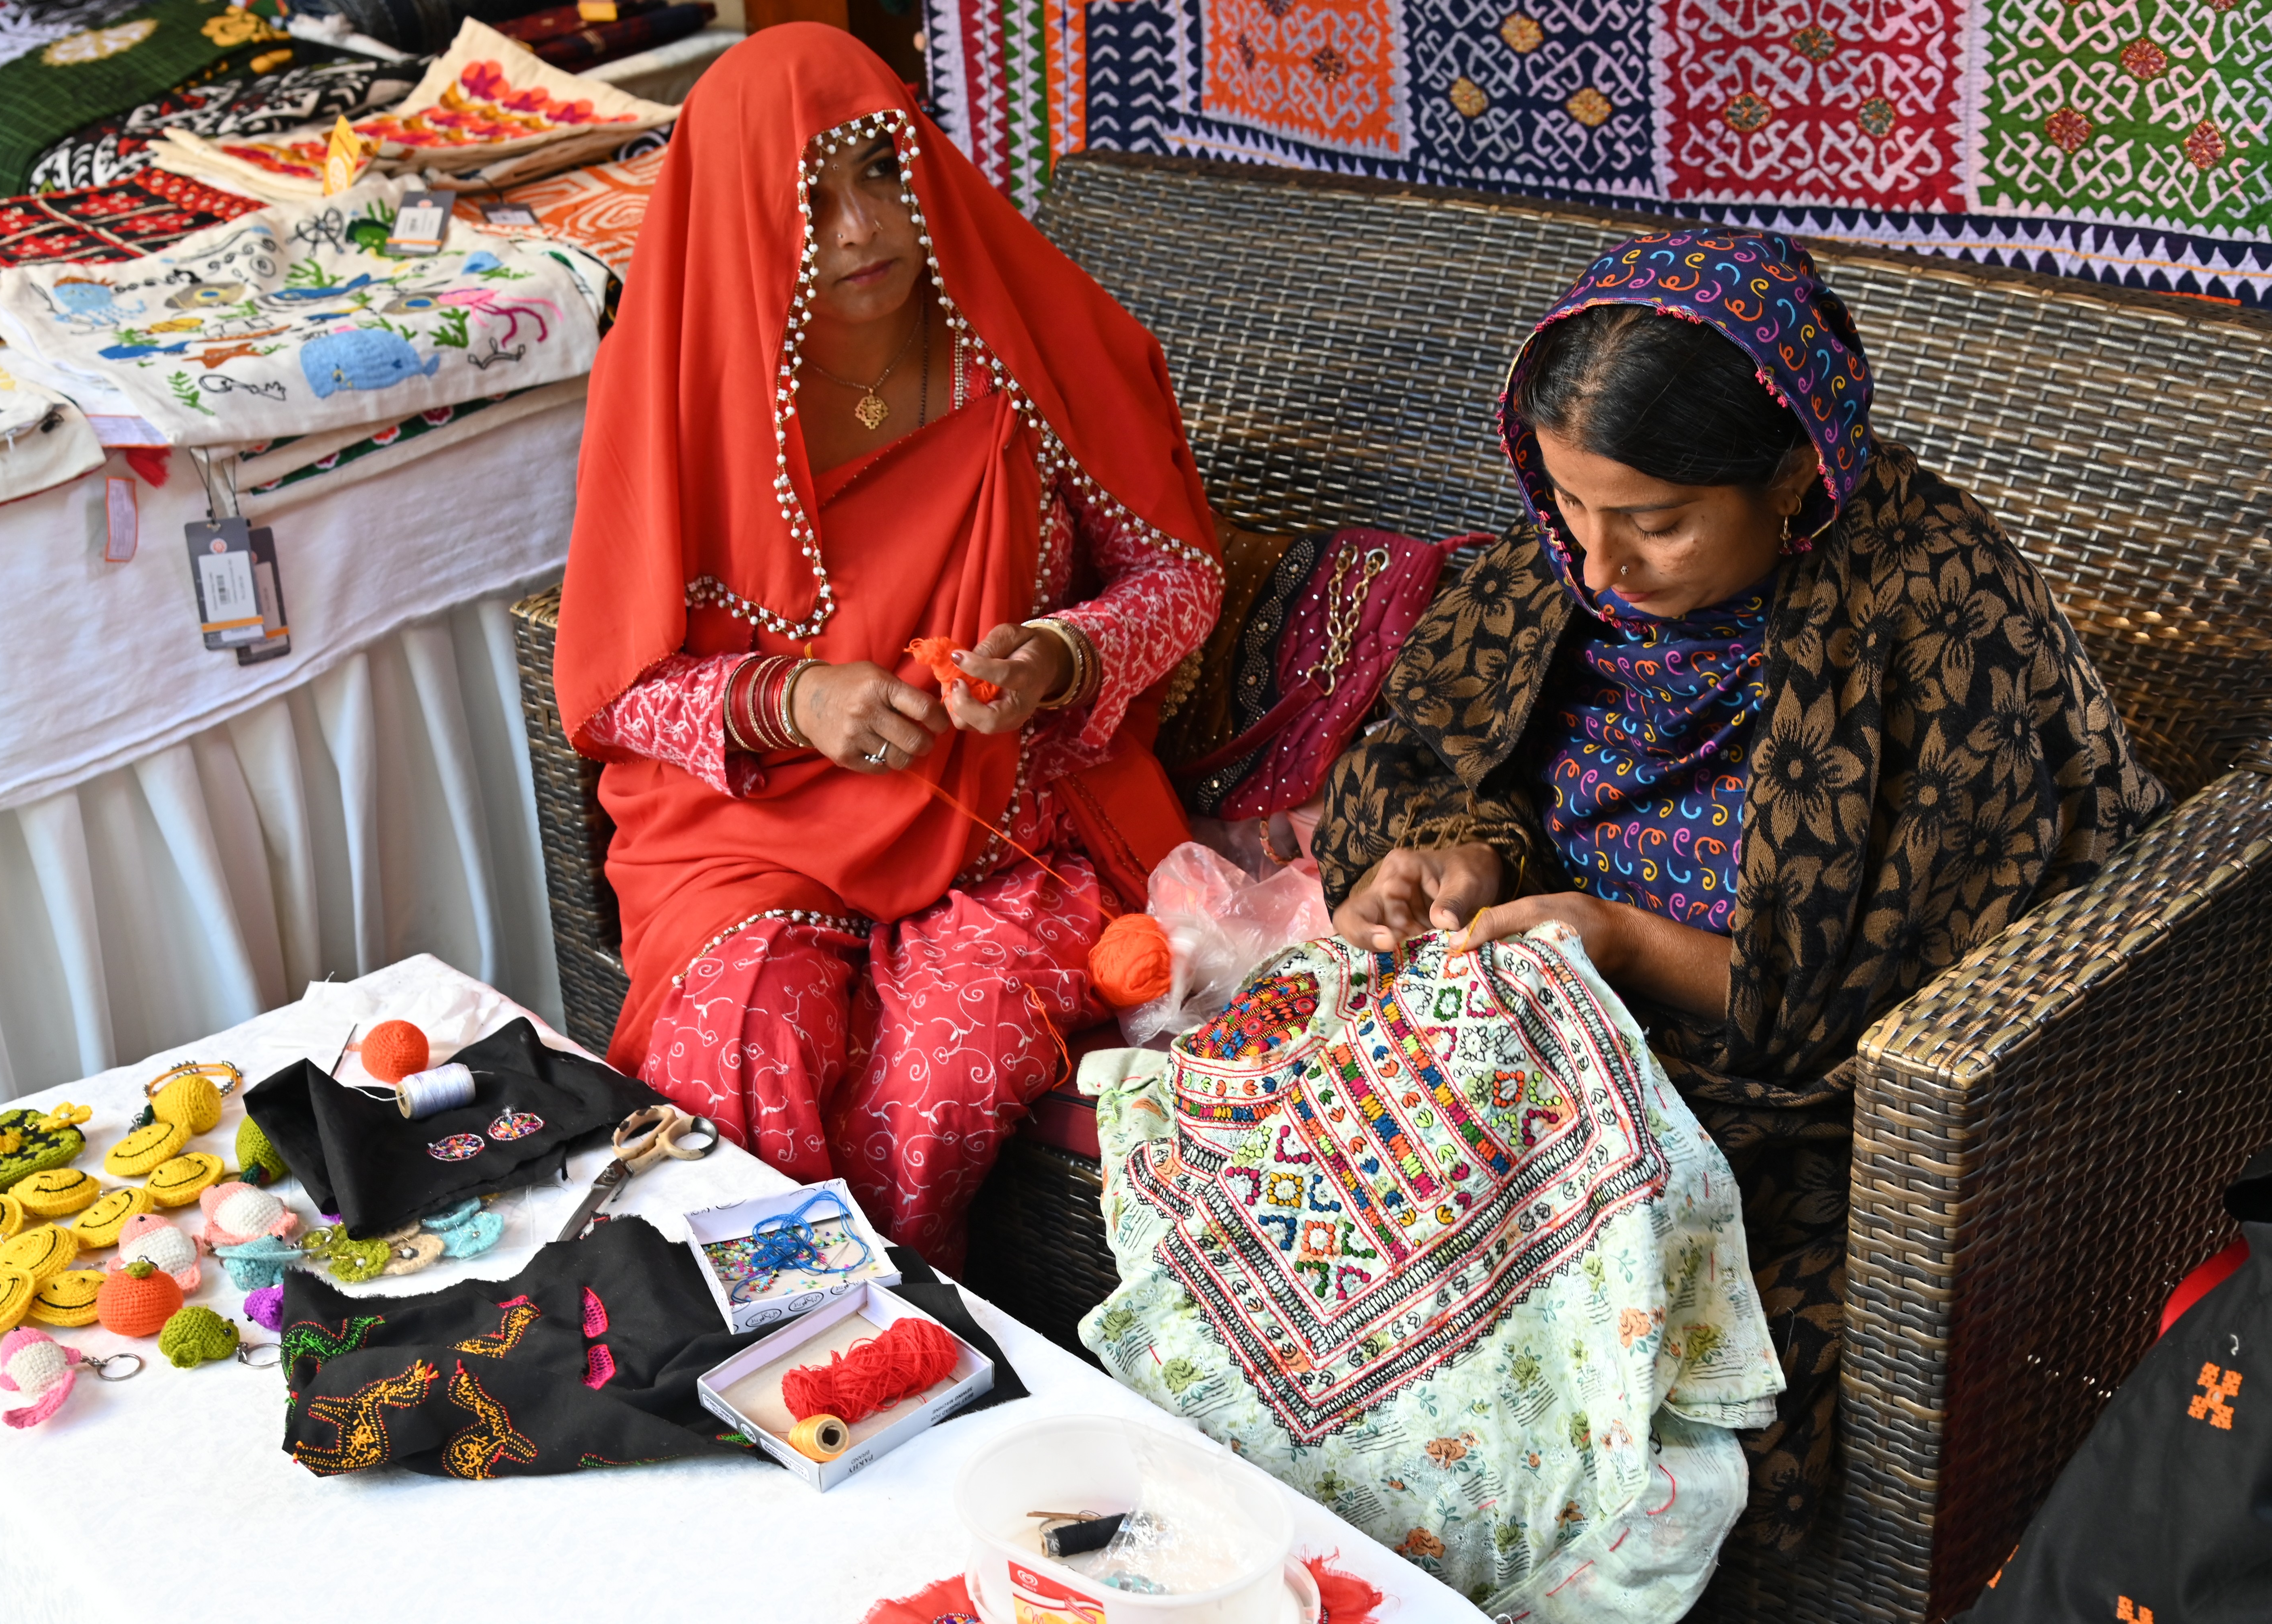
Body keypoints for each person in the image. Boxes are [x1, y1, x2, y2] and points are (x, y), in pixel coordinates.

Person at [1316, 228, 2168, 1547]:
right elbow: (1430, 752)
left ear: (1791, 478)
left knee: (1614, 1394)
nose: (1598, 567)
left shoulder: (1937, 626)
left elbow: (1911, 1016)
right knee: (1321, 1240)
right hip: (1550, 1040)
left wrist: (1618, 942)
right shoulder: (1557, 575)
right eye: (1568, 505)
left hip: (1796, 1117)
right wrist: (1458, 855)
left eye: (1655, 523)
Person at [552, 26, 1221, 1272]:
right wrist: (790, 698)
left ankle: (903, 1355)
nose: (863, 229)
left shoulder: (1027, 355)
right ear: (742, 215)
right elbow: (615, 691)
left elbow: (1177, 579)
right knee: (742, 1053)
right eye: (811, 202)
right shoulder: (681, 399)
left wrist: (1063, 658)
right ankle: (753, 1362)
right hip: (746, 836)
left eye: (882, 174)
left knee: (942, 1082)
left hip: (1018, 830)